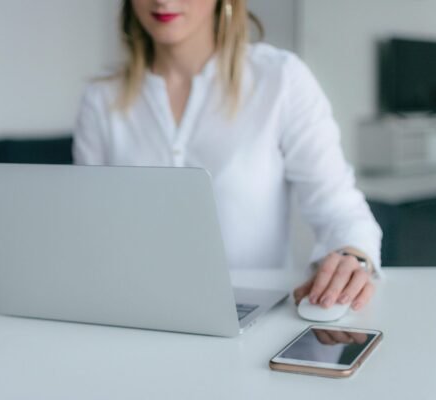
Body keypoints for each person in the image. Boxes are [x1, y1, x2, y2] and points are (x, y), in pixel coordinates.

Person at [72, 0, 383, 311]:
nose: (162, 0)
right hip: (133, 312)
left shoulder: (280, 80)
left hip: (249, 315)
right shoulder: (101, 99)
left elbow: (341, 211)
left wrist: (352, 257)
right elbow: (90, 230)